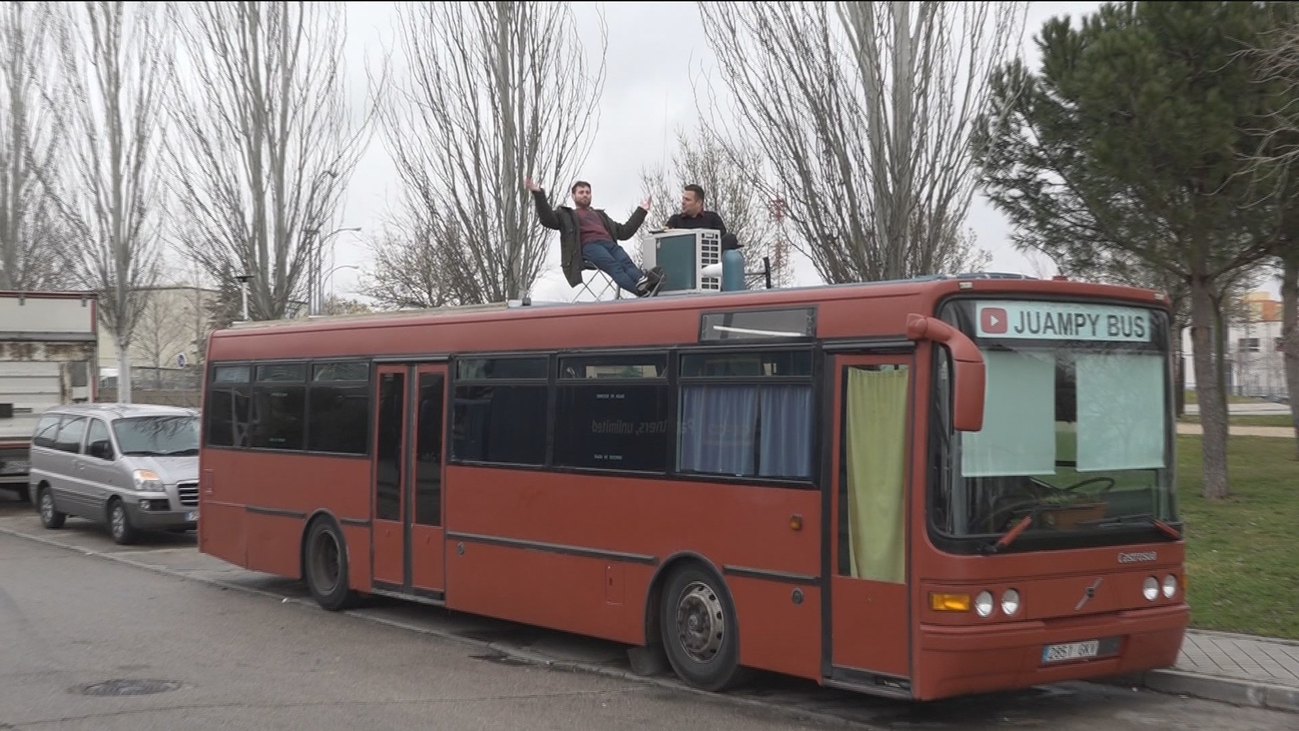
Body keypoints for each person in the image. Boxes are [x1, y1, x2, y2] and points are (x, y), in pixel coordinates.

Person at [526, 177, 666, 297]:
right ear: (573, 196)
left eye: (587, 192)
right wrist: (539, 195)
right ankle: (642, 293)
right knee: (615, 266)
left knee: (626, 262)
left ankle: (644, 283)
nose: (585, 195)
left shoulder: (601, 216)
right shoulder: (567, 215)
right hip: (590, 246)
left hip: (609, 244)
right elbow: (547, 219)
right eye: (581, 192)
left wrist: (641, 211)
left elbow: (624, 231)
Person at [665, 184, 740, 251]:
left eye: (687, 200)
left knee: (730, 238)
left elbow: (724, 241)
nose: (683, 202)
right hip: (682, 260)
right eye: (683, 199)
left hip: (709, 262)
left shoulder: (713, 219)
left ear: (699, 203)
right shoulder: (675, 220)